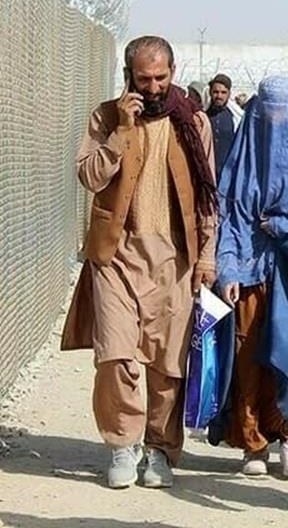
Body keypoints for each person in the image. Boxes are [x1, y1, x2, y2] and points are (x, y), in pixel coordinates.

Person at [61, 36, 218, 489]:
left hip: (174, 260)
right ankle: (122, 444)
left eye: (161, 78)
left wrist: (206, 257)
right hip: (116, 256)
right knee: (116, 356)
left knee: (167, 365)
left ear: (173, 72)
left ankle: (159, 449)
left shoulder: (193, 122)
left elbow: (208, 194)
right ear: (129, 75)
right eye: (143, 79)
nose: (153, 88)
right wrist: (121, 133)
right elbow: (90, 176)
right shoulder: (106, 117)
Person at [215, 75, 288, 478]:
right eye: (269, 113)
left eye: (286, 113)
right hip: (248, 269)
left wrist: (285, 227)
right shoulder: (244, 155)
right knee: (248, 358)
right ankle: (252, 444)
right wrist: (228, 266)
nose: (277, 122)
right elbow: (229, 212)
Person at [206, 73, 239, 176]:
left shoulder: (235, 117)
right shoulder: (203, 116)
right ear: (210, 92)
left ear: (229, 94)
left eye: (223, 92)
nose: (219, 96)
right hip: (208, 170)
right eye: (216, 92)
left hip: (229, 172)